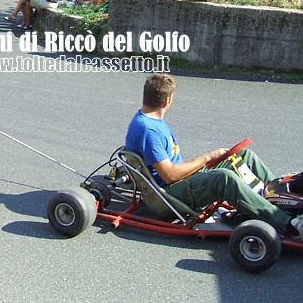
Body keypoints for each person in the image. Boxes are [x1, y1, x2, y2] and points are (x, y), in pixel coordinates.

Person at [125, 73, 303, 240]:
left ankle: (282, 199)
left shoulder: (149, 119)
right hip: (167, 195)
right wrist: (207, 157)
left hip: (180, 181)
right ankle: (289, 224)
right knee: (224, 178)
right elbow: (169, 175)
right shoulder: (149, 130)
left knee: (243, 156)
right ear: (167, 100)